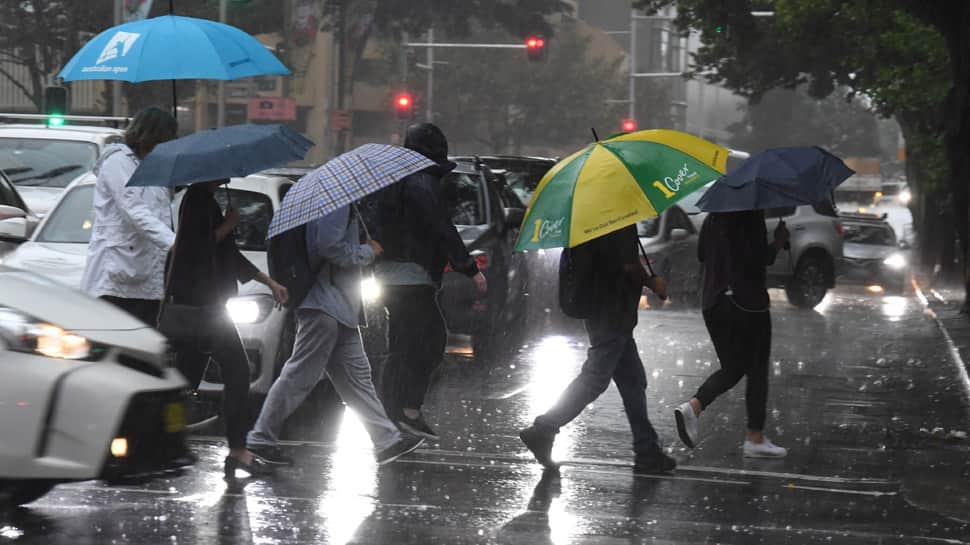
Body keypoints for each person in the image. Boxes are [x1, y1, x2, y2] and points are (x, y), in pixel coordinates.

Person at [247, 205, 425, 466]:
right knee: (298, 376)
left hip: (340, 307)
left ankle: (387, 440)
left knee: (357, 379)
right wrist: (367, 252)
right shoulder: (336, 204)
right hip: (324, 306)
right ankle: (260, 438)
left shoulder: (342, 203)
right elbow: (328, 246)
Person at [519, 225, 676, 474]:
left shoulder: (595, 218)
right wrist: (652, 282)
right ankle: (544, 428)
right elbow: (627, 265)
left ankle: (647, 450)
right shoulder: (616, 217)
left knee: (633, 380)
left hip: (603, 308)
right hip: (612, 310)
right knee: (595, 378)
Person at [166, 180, 289, 479]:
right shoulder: (197, 197)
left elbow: (228, 255)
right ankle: (237, 451)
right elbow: (197, 247)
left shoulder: (206, 198)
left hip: (204, 305)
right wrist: (229, 224)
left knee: (184, 381)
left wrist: (268, 282)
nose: (231, 176)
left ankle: (165, 441)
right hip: (203, 306)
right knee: (237, 372)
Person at [373, 123, 486, 441]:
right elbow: (441, 226)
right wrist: (469, 268)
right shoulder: (421, 181)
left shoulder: (392, 179)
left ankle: (396, 412)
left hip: (390, 275)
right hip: (412, 276)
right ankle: (403, 411)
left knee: (403, 344)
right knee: (431, 342)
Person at [673, 210, 790, 458]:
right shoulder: (750, 214)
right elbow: (758, 259)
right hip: (746, 303)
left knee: (734, 367)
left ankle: (694, 406)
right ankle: (755, 438)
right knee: (757, 369)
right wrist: (778, 242)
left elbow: (702, 253)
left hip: (713, 303)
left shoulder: (714, 215)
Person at [80, 106, 178, 324]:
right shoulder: (118, 162)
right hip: (116, 278)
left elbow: (161, 212)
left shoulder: (155, 167)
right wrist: (173, 242)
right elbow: (134, 209)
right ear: (151, 137)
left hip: (148, 277)